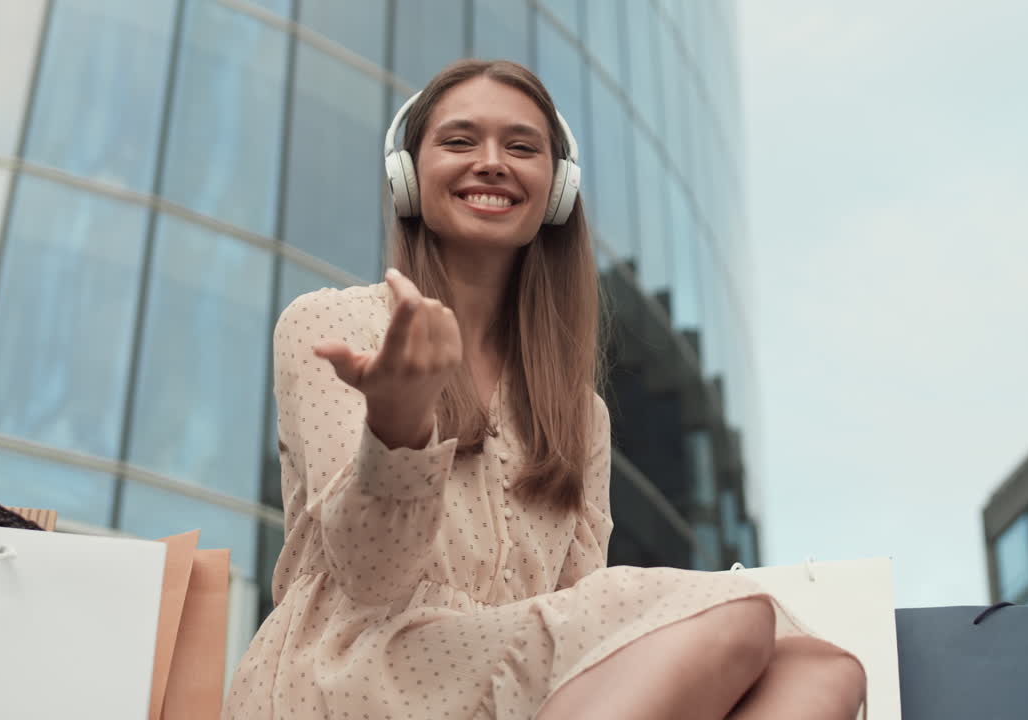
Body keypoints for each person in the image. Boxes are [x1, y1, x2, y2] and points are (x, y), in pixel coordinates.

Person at [223, 59, 865, 720]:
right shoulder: (333, 323)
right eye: (460, 141)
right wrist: (398, 424)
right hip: (363, 678)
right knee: (736, 618)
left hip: (514, 682)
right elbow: (371, 575)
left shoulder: (579, 414)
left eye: (522, 147)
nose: (493, 162)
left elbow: (591, 634)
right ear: (407, 177)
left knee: (827, 670)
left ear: (556, 192)